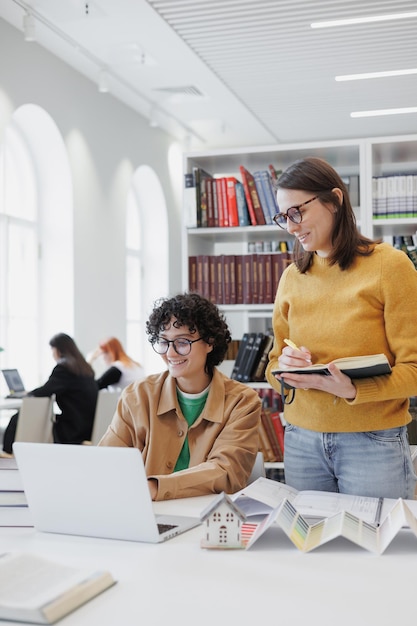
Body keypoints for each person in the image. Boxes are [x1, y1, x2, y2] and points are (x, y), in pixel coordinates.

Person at [265, 156, 417, 500]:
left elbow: (414, 369)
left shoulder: (390, 266)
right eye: (283, 217)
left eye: (296, 212)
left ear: (334, 200)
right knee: (310, 549)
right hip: (302, 440)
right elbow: (273, 366)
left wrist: (352, 391)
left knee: (378, 548)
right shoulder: (292, 276)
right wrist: (285, 369)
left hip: (372, 442)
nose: (290, 227)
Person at [99, 292, 261, 501]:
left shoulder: (242, 401)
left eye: (183, 342)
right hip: (147, 514)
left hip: (206, 518)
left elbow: (226, 472)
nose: (171, 354)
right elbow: (107, 462)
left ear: (210, 342)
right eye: (164, 342)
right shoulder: (137, 395)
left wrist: (155, 487)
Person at [2, 333, 98, 454]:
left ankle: (7, 453)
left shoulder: (64, 368)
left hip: (72, 429)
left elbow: (46, 390)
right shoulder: (84, 368)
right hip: (88, 427)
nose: (52, 353)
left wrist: (28, 393)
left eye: (52, 349)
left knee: (19, 417)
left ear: (59, 349)